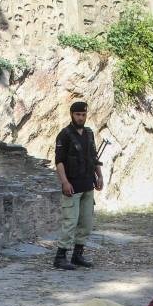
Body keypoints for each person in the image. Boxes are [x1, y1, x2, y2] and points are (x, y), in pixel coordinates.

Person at [53, 101, 103, 270]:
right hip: (72, 187)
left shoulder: (89, 133)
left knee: (86, 223)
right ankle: (60, 257)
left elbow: (94, 157)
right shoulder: (64, 135)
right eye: (77, 114)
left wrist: (99, 176)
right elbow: (59, 161)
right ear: (72, 115)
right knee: (70, 222)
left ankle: (77, 255)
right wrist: (65, 182)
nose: (81, 117)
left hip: (88, 184)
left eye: (83, 114)